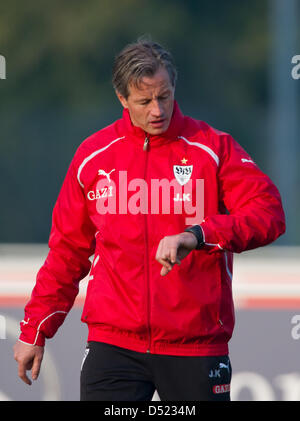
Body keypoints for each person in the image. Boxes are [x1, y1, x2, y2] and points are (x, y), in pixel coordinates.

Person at [13, 38, 286, 401]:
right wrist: (35, 329)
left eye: (165, 96)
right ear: (122, 99)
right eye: (144, 101)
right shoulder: (93, 158)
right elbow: (67, 252)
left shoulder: (212, 148)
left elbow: (269, 213)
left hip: (195, 346)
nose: (158, 110)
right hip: (113, 347)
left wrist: (199, 234)